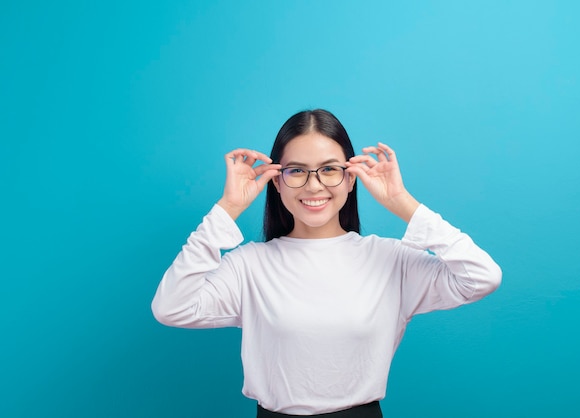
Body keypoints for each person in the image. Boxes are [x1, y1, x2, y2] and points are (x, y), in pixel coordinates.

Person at [151, 109, 502, 417]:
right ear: (277, 182)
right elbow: (171, 307)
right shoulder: (249, 265)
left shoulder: (390, 259)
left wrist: (402, 202)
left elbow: (481, 277)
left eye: (329, 169)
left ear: (351, 179)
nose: (314, 185)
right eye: (297, 171)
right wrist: (227, 209)